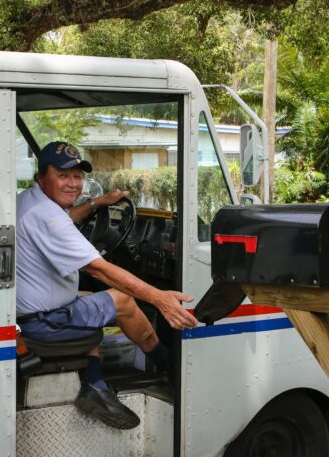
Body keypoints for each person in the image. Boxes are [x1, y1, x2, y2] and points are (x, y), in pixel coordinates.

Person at [16, 141, 198, 430]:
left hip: (29, 309)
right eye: (63, 176)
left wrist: (99, 203)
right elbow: (97, 268)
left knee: (92, 299)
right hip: (42, 322)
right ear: (41, 177)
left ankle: (95, 381)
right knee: (122, 300)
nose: (73, 183)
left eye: (77, 176)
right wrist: (159, 297)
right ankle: (167, 368)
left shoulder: (30, 199)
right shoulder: (48, 217)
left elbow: (67, 218)